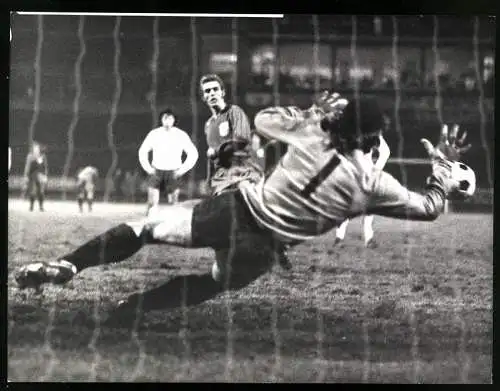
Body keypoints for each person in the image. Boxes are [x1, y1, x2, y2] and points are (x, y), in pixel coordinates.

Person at [14, 94, 470, 324]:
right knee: (213, 284)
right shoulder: (375, 185)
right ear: (375, 142)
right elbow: (430, 207)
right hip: (264, 248)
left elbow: (264, 121)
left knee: (146, 226)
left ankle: (69, 267)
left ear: (339, 124)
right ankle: (133, 309)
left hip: (236, 210)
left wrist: (311, 112)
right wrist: (442, 169)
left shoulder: (312, 134)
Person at [200, 74, 291, 270]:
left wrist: (216, 151)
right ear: (204, 97)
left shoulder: (234, 112)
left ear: (222, 92)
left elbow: (240, 140)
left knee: (253, 211)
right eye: (207, 91)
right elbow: (213, 159)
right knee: (224, 224)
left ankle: (277, 245)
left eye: (215, 89)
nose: (212, 93)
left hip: (243, 173)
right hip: (221, 180)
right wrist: (209, 180)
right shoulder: (208, 125)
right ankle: (231, 263)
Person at [333, 134, 391, 248]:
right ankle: (340, 238)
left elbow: (385, 151)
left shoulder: (370, 131)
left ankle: (366, 239)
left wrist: (376, 169)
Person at [138, 108, 199, 215]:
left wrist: (182, 170)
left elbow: (193, 153)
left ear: (174, 120)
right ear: (161, 119)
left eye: (170, 118)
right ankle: (147, 227)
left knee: (174, 205)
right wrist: (148, 168)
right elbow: (142, 151)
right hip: (156, 171)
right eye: (165, 118)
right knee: (152, 204)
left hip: (173, 172)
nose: (167, 120)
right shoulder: (154, 134)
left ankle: (172, 227)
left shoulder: (181, 135)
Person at [22, 141, 48, 212]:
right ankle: (31, 207)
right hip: (32, 176)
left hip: (41, 176)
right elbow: (27, 167)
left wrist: (45, 176)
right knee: (33, 191)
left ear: (39, 149)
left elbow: (45, 167)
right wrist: (26, 176)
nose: (36, 150)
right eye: (34, 148)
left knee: (41, 192)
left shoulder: (43, 156)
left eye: (37, 148)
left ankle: (41, 207)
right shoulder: (30, 156)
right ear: (33, 149)